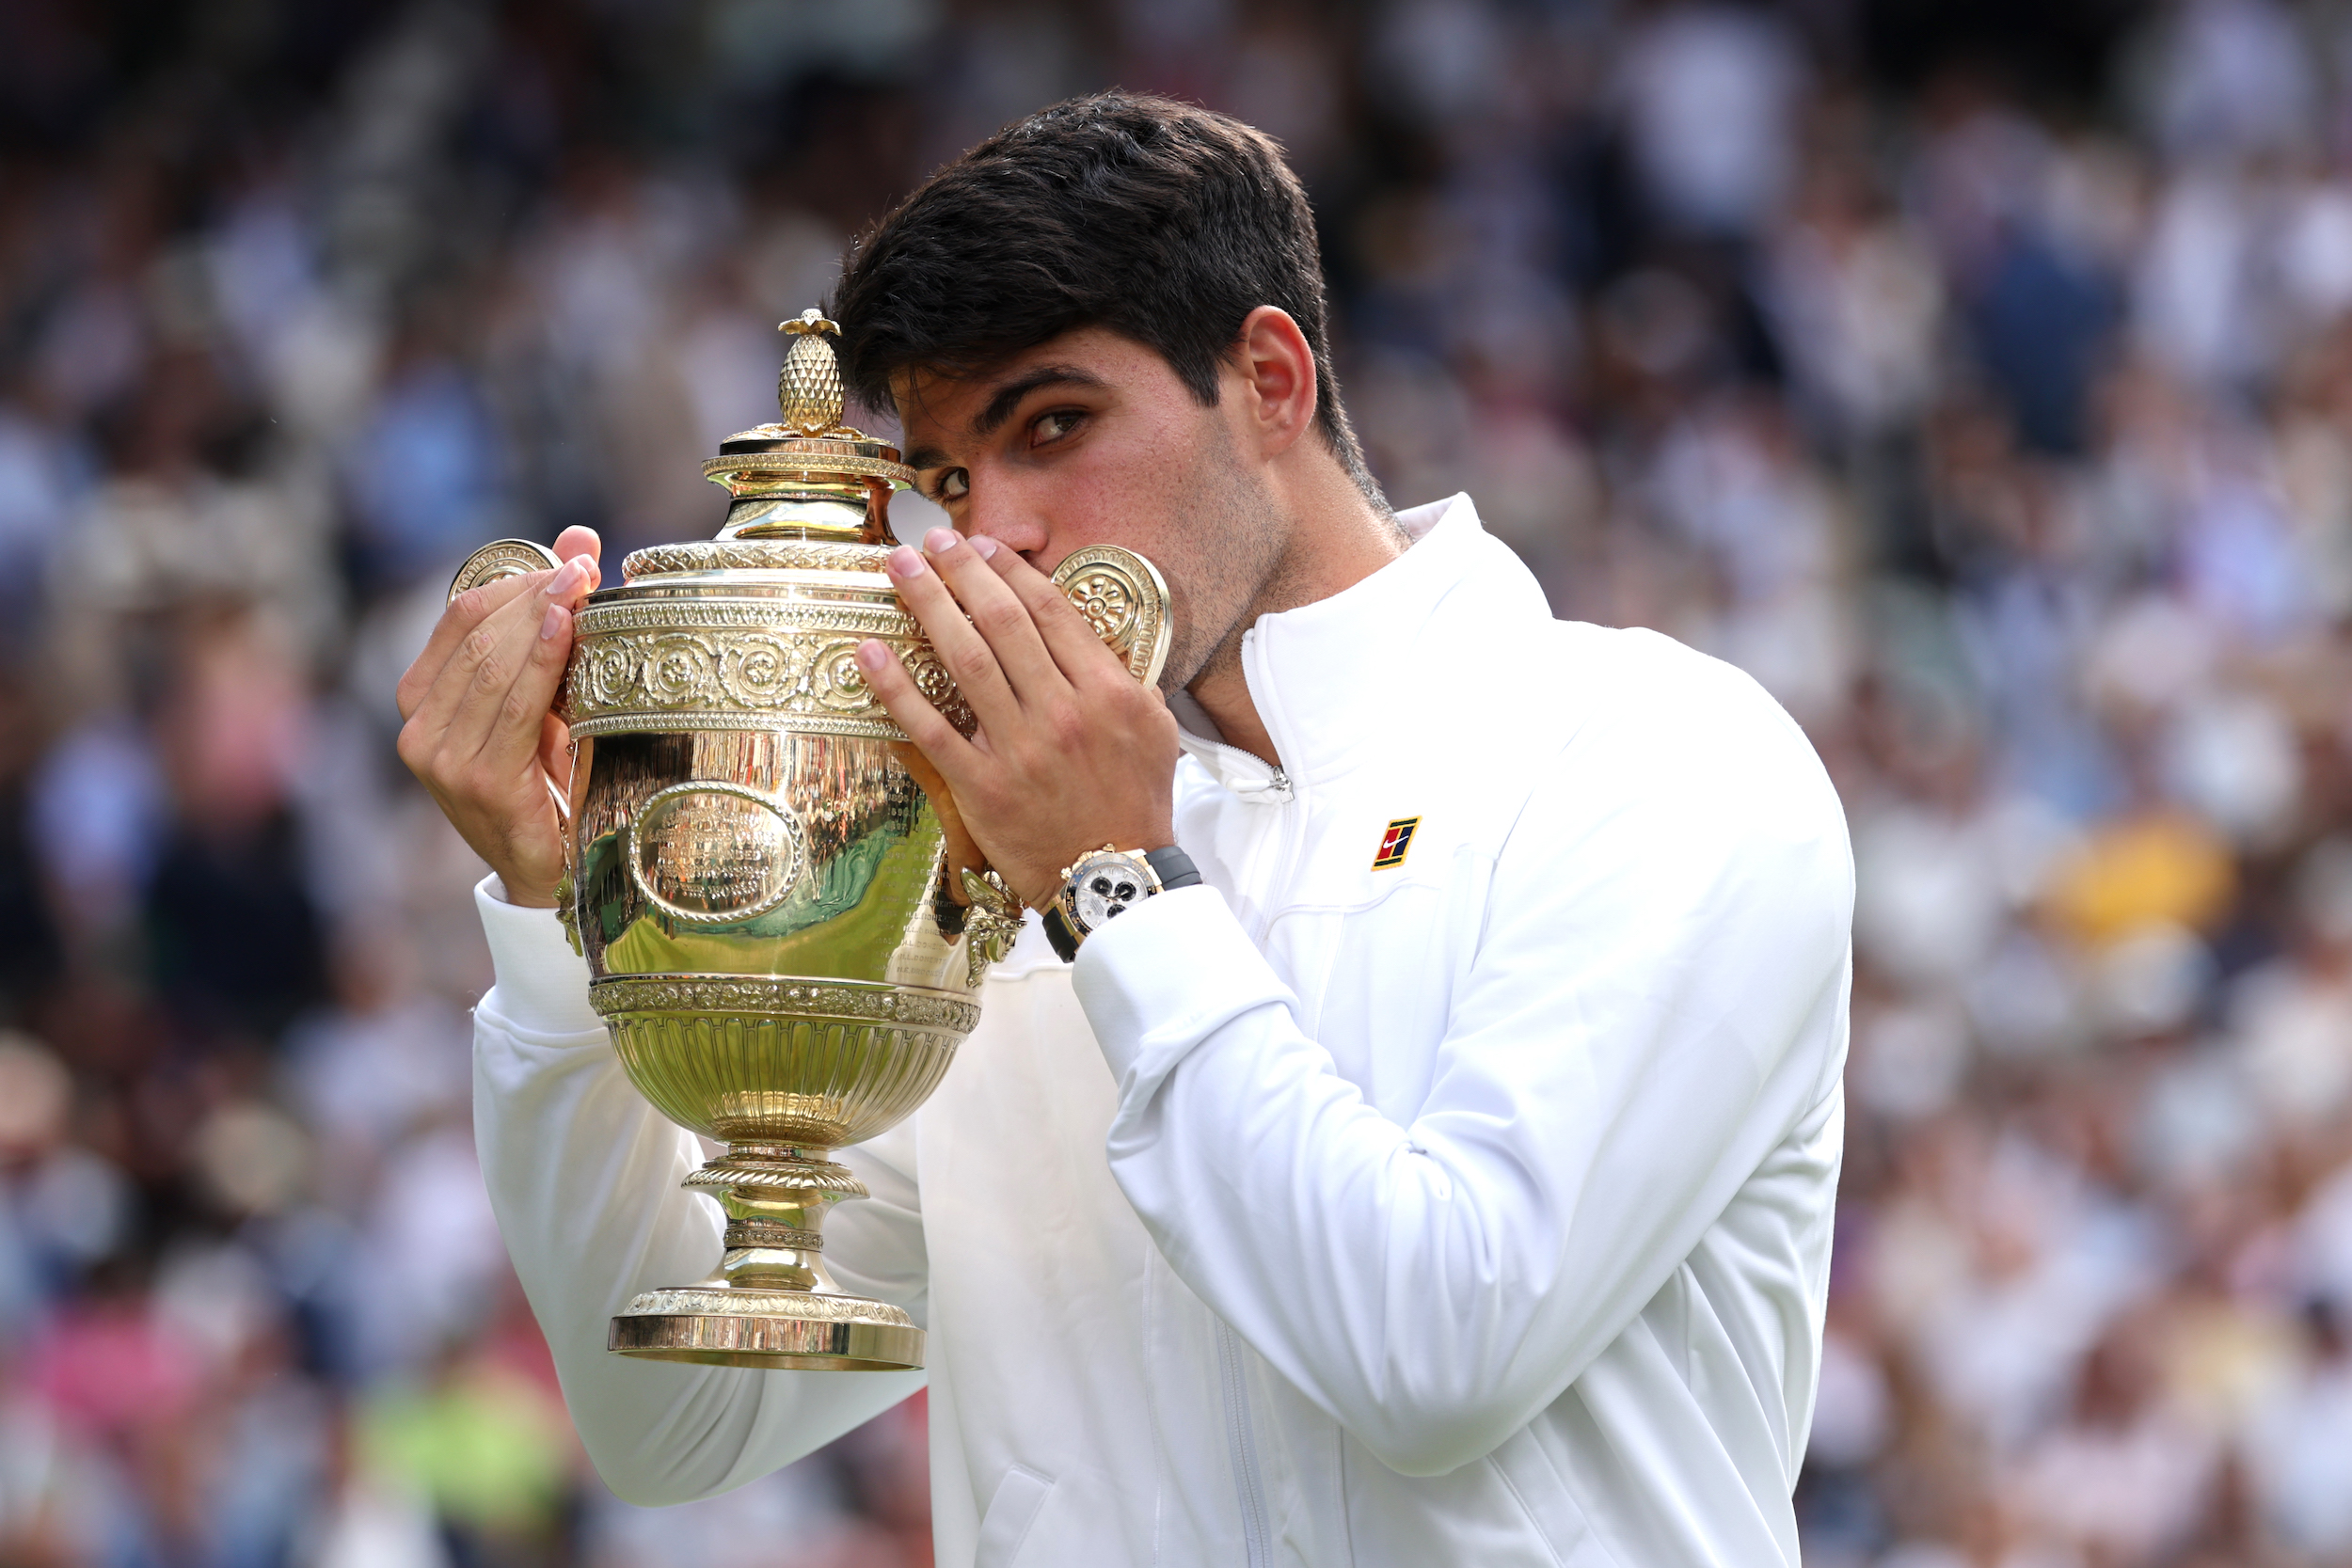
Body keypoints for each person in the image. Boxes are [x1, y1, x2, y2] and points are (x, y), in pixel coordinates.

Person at [397, 93, 1852, 1567]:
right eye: (951, 480)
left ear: (1269, 382)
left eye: (1054, 426)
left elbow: (1442, 1349)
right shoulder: (981, 870)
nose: (995, 534)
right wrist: (551, 900)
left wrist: (1115, 889)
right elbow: (674, 1425)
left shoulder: (1660, 754)